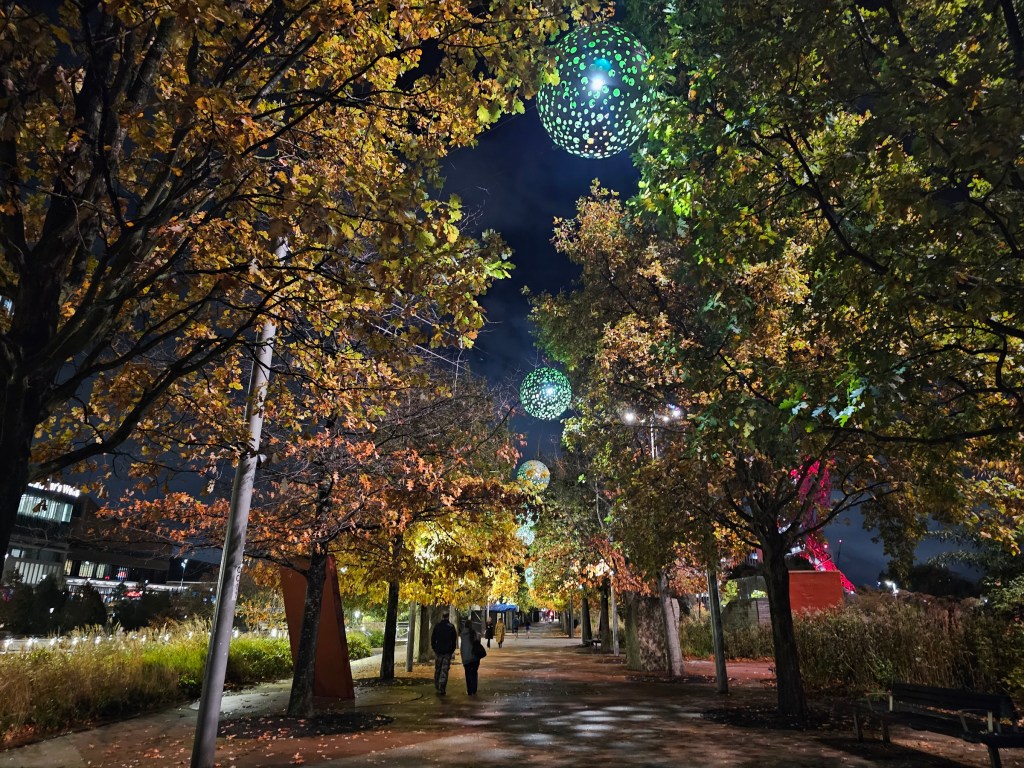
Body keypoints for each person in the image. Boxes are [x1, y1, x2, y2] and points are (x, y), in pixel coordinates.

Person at [430, 610, 458, 695]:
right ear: (448, 616)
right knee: (444, 670)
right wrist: (451, 650)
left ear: (442, 616)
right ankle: (442, 687)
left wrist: (435, 648)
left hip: (439, 651)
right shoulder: (451, 627)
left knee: (438, 668)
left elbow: (433, 638)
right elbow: (454, 641)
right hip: (447, 652)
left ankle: (437, 684)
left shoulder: (437, 626)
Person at [460, 618, 482, 696]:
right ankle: (474, 689)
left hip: (466, 657)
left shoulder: (462, 635)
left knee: (467, 674)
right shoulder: (475, 633)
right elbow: (479, 639)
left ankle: (469, 690)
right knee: (474, 673)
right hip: (475, 657)